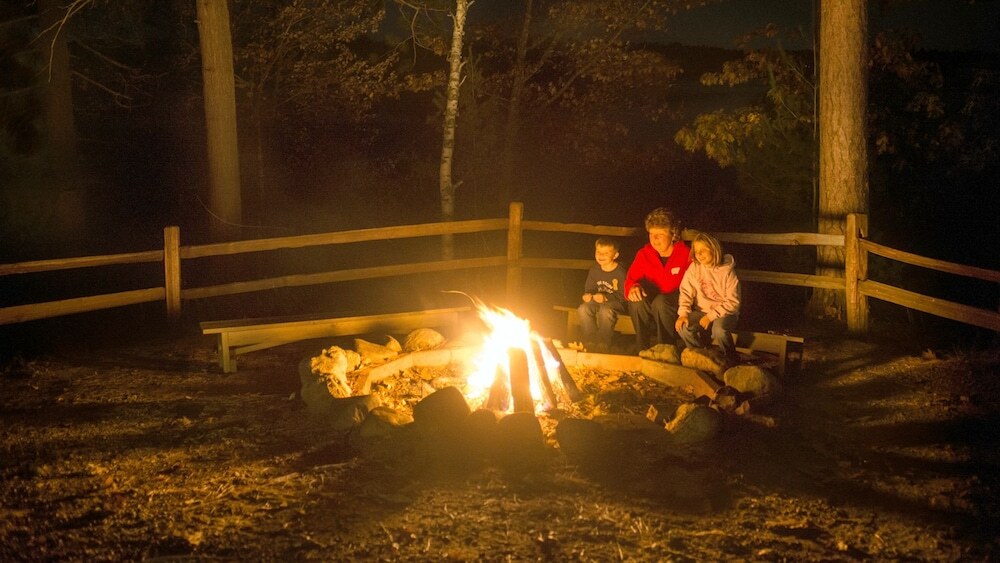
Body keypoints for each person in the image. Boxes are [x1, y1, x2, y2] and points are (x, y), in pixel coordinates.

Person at [625, 208, 691, 351]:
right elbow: (631, 280)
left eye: (660, 235)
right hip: (652, 298)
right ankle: (642, 348)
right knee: (637, 302)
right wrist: (634, 287)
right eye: (651, 234)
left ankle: (666, 349)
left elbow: (696, 283)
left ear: (673, 234)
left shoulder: (686, 254)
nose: (654, 239)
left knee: (661, 302)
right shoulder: (644, 254)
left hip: (677, 300)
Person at [675, 231, 741, 362]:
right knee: (683, 326)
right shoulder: (694, 268)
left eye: (703, 250)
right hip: (701, 311)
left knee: (719, 331)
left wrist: (710, 316)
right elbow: (686, 292)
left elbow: (733, 302)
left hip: (725, 313)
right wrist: (683, 313)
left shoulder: (727, 271)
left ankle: (731, 358)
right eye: (696, 251)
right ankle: (702, 355)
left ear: (714, 250)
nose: (699, 254)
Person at [576, 237, 627, 352]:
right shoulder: (594, 270)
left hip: (616, 302)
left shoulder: (620, 272)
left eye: (606, 253)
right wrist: (588, 295)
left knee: (605, 310)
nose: (601, 256)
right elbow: (589, 288)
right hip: (597, 302)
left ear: (615, 255)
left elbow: (623, 295)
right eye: (598, 252)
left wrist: (606, 297)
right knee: (583, 309)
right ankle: (590, 340)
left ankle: (603, 342)